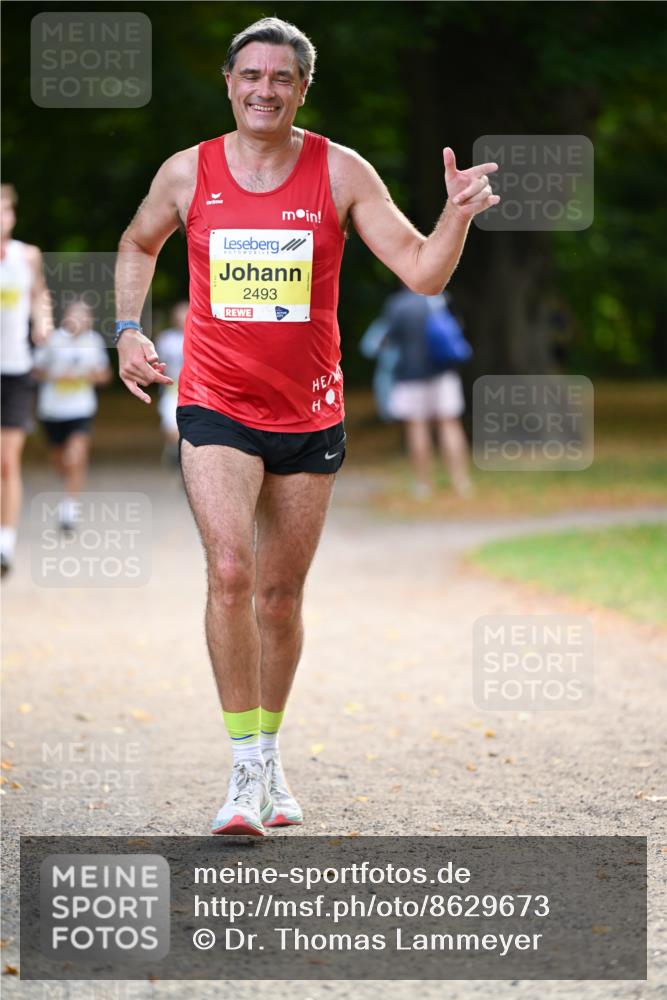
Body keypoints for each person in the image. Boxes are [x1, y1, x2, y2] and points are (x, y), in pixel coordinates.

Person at [114, 16, 500, 836]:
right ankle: (243, 768)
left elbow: (422, 273)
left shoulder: (341, 172)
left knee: (281, 598)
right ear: (228, 82)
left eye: (280, 78)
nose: (263, 89)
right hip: (215, 401)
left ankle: (271, 752)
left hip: (309, 410)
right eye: (249, 75)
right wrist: (127, 329)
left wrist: (457, 215)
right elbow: (138, 242)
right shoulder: (188, 173)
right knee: (229, 571)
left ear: (301, 89)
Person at [0, 183, 53, 577]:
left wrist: (44, 321)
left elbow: (39, 295)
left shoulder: (27, 256)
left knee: (7, 462)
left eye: (6, 211)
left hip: (15, 370)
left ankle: (5, 545)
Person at [378, 287, 474, 499]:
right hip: (443, 372)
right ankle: (461, 481)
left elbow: (388, 340)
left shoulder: (397, 305)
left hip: (410, 375)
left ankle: (423, 485)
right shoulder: (440, 299)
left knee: (417, 426)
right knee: (450, 424)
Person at [33, 300, 111, 532]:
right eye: (74, 315)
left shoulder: (94, 342)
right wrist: (56, 376)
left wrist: (91, 375)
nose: (78, 320)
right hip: (52, 411)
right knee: (61, 461)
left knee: (75, 456)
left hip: (81, 409)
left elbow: (105, 375)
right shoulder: (52, 340)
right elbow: (36, 371)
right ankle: (69, 482)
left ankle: (69, 510)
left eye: (83, 316)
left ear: (90, 320)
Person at [154, 301, 187, 468]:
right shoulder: (166, 339)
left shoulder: (200, 336)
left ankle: (184, 461)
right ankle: (175, 451)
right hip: (172, 390)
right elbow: (156, 364)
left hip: (194, 390)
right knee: (171, 430)